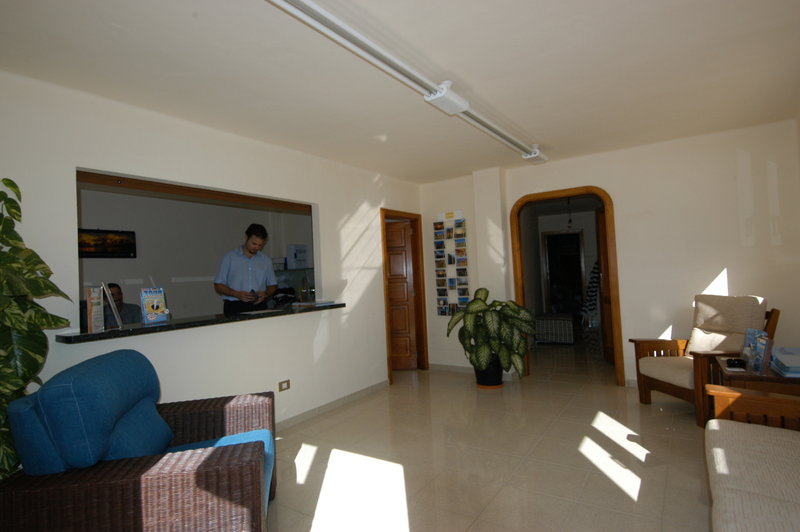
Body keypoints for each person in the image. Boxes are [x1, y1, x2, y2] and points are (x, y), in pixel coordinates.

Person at [214, 223, 278, 315]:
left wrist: (266, 294)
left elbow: (272, 285)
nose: (256, 248)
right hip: (234, 306)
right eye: (254, 243)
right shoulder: (229, 258)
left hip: (259, 306)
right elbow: (218, 286)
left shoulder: (266, 260)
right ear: (246, 237)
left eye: (260, 245)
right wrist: (236, 294)